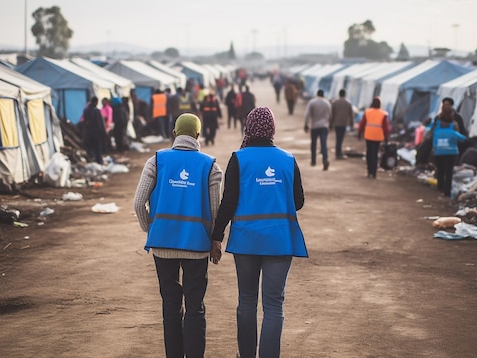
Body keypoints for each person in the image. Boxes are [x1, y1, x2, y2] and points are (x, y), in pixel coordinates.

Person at [211, 106, 307, 358]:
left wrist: (216, 237)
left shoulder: (239, 158)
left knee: (247, 301)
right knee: (274, 304)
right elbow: (297, 201)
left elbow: (228, 202)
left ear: (249, 128)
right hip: (280, 240)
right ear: (272, 129)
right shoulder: (288, 160)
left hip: (246, 241)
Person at [133, 113, 223, 358]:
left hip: (163, 246)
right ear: (198, 135)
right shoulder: (211, 166)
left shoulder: (156, 161)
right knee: (195, 306)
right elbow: (215, 212)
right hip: (197, 247)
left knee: (171, 305)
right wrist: (215, 242)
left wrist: (150, 228)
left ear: (173, 134)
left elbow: (139, 203)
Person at [432, 111, 467, 197]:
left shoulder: (437, 126)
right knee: (448, 172)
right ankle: (447, 191)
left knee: (440, 170)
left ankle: (440, 187)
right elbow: (462, 138)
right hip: (451, 152)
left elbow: (432, 137)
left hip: (439, 151)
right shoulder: (453, 125)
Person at [357, 97, 390, 178]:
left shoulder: (367, 112)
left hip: (368, 135)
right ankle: (374, 172)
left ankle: (369, 171)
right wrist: (386, 137)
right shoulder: (383, 114)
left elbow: (362, 123)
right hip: (377, 136)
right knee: (375, 154)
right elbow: (386, 127)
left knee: (369, 153)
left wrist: (359, 133)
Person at [304, 89, 332, 170]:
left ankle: (313, 161)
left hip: (314, 126)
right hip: (324, 126)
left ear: (317, 94)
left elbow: (307, 114)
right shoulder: (327, 103)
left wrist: (306, 124)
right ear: (323, 95)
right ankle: (325, 160)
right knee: (323, 144)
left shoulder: (312, 102)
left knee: (313, 144)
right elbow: (330, 115)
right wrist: (330, 124)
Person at [330, 89, 354, 160]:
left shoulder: (335, 102)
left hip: (337, 123)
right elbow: (351, 114)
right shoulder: (348, 103)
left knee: (338, 138)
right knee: (341, 139)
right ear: (345, 94)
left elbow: (332, 114)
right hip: (344, 123)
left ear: (339, 94)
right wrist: (351, 122)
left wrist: (331, 123)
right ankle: (339, 153)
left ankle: (338, 153)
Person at [81, 97, 106, 164]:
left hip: (88, 133)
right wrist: (104, 133)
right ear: (96, 102)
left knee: (90, 148)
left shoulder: (86, 110)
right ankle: (99, 161)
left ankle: (91, 161)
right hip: (96, 133)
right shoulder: (96, 111)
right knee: (97, 148)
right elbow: (100, 123)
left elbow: (84, 121)